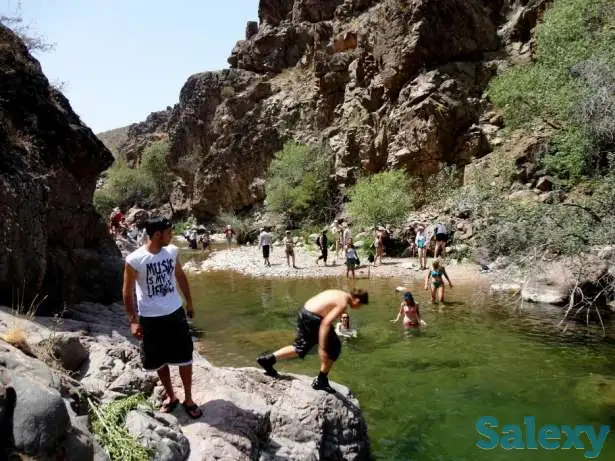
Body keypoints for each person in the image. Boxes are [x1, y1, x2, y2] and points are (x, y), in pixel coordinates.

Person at [122, 216, 202, 419]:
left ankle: (189, 398)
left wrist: (189, 302)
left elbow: (180, 276)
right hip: (150, 318)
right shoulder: (134, 260)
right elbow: (127, 292)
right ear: (157, 234)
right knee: (158, 360)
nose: (171, 236)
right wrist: (133, 321)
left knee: (185, 356)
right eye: (169, 232)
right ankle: (171, 395)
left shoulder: (172, 252)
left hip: (175, 313)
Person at [256, 288, 369, 392]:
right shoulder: (343, 303)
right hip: (314, 319)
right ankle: (321, 380)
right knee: (334, 348)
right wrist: (322, 348)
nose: (359, 308)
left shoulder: (339, 293)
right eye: (360, 305)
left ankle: (267, 360)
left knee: (301, 346)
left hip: (304, 312)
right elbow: (325, 324)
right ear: (357, 300)